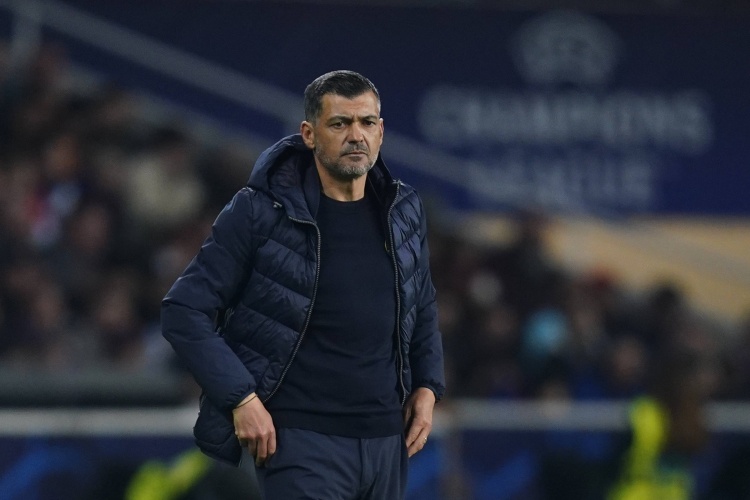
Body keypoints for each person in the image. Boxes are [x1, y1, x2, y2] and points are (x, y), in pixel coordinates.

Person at [161, 70, 445, 499]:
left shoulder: (403, 209)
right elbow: (183, 310)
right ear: (309, 134)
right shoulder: (260, 211)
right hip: (301, 441)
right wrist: (241, 399)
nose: (356, 135)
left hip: (387, 440)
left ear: (381, 132)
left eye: (367, 123)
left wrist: (427, 385)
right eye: (340, 123)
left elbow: (420, 303)